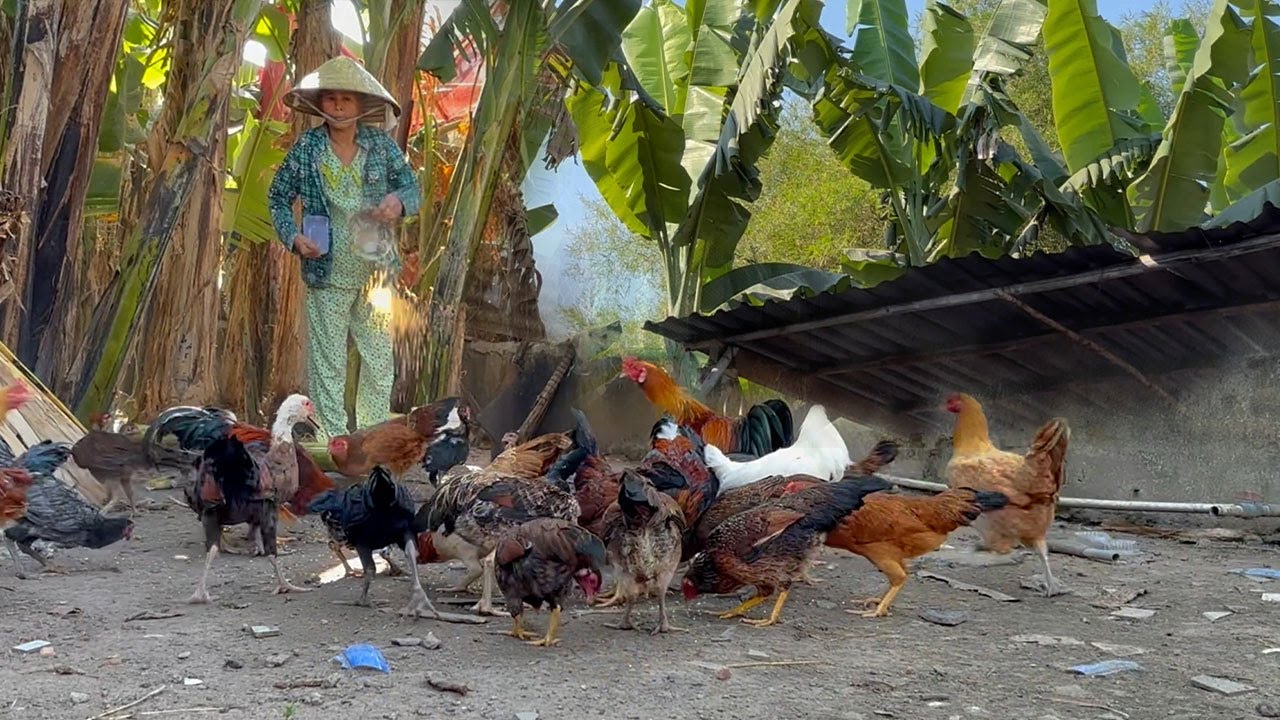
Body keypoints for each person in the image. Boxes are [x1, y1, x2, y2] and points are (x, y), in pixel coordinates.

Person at [268, 56, 421, 440]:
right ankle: (332, 442)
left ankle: (370, 439)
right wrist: (294, 237)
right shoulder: (308, 148)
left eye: (346, 100)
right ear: (320, 104)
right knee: (328, 362)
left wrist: (398, 203)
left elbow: (412, 188)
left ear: (361, 106)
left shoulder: (381, 146)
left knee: (378, 358)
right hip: (326, 271)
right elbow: (277, 196)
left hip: (376, 272)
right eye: (331, 98)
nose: (337, 106)